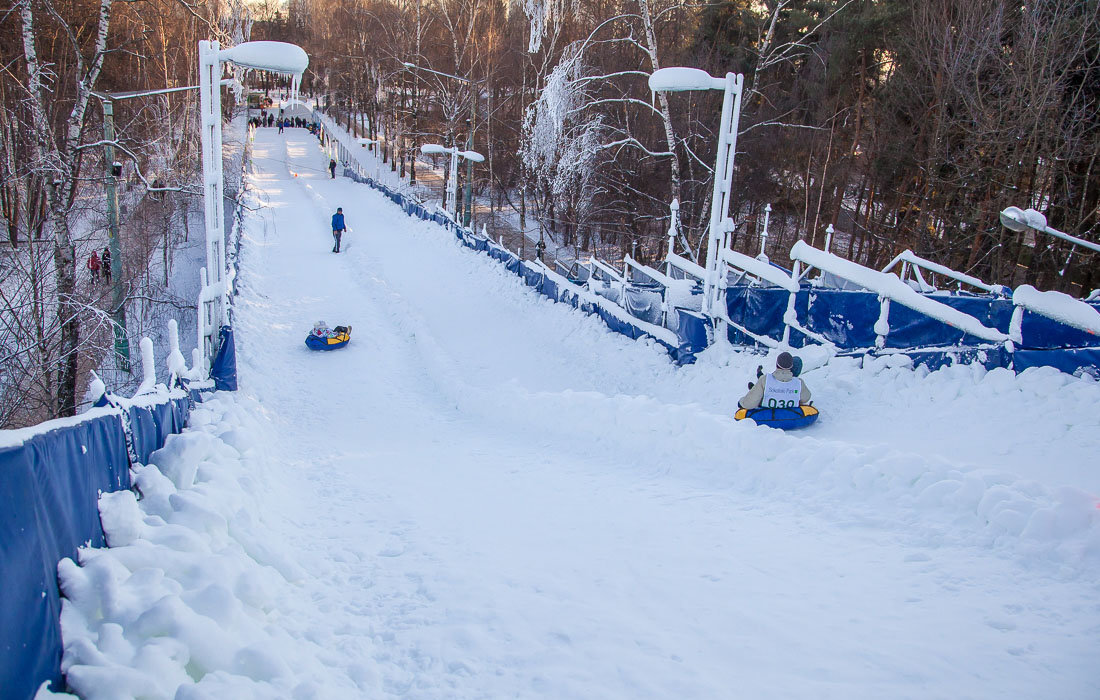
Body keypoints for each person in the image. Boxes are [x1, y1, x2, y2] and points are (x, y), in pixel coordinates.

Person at [739, 351, 811, 410]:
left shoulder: (765, 380)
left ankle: (755, 389)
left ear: (777, 364)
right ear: (791, 366)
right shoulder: (799, 383)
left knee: (760, 392)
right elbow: (806, 398)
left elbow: (748, 404)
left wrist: (741, 402)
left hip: (769, 414)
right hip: (791, 416)